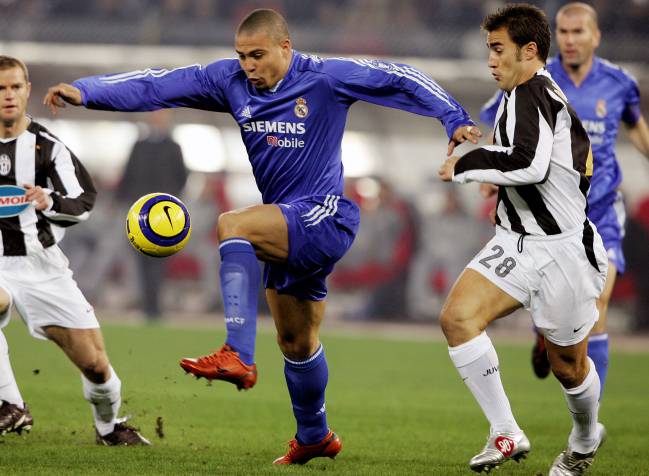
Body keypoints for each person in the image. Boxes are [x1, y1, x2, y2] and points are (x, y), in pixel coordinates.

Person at [44, 9, 480, 464]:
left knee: (233, 224)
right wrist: (86, 91)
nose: (248, 65)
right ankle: (314, 436)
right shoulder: (228, 81)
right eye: (241, 56)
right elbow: (158, 84)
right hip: (284, 226)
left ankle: (237, 353)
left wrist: (451, 118)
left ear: (285, 48)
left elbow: (400, 76)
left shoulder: (326, 78)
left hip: (325, 215)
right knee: (297, 341)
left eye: (257, 55)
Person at [438, 5, 607, 475]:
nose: (490, 60)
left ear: (528, 50)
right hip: (516, 242)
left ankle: (586, 437)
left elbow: (530, 165)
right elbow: (524, 158)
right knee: (457, 318)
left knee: (567, 368)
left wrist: (467, 165)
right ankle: (505, 431)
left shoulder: (534, 91)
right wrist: (489, 161)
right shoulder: (516, 95)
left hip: (562, 253)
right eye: (488, 49)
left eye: (498, 49)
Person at [480, 2, 649, 396]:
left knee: (597, 305)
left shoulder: (619, 83)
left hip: (602, 210)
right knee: (557, 311)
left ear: (596, 36)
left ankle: (590, 420)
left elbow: (638, 131)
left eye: (579, 32)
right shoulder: (534, 76)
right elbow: (498, 122)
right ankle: (545, 331)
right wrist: (491, 176)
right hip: (548, 217)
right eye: (564, 32)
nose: (570, 41)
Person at [0, 55, 149, 445]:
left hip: (42, 266)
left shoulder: (46, 148)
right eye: (0, 89)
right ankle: (11, 404)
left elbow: (83, 201)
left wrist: (48, 201)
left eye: (15, 87)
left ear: (27, 90)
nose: (8, 95)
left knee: (96, 366)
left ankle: (108, 426)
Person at [117, 109, 188, 321]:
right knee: (139, 259)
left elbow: (182, 178)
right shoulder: (138, 146)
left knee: (158, 259)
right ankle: (146, 306)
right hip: (138, 212)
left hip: (163, 214)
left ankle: (155, 307)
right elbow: (127, 176)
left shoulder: (174, 148)